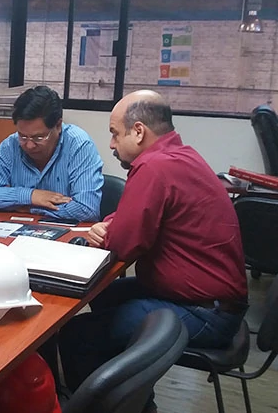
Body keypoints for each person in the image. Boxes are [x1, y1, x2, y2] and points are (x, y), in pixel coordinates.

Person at [57, 90, 247, 413]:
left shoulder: (153, 167)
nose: (112, 144)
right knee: (105, 295)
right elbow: (135, 218)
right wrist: (112, 224)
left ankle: (118, 405)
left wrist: (108, 232)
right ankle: (135, 396)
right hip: (212, 302)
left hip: (206, 314)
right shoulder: (179, 156)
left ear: (138, 131)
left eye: (115, 134)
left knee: (77, 335)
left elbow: (124, 245)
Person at [0, 86, 103, 222]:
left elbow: (87, 209)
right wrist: (30, 196)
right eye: (23, 136)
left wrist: (29, 208)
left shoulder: (79, 145)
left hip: (65, 232)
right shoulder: (11, 145)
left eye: (38, 138)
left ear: (58, 126)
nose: (29, 145)